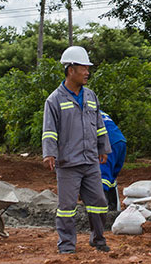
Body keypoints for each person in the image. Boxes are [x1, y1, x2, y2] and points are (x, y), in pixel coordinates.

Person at [42, 46, 112, 253]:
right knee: (66, 208)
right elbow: (49, 130)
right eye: (84, 67)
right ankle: (67, 246)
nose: (87, 72)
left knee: (99, 202)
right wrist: (49, 153)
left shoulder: (91, 96)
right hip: (68, 163)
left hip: (90, 160)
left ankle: (98, 240)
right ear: (71, 69)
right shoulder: (54, 100)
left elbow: (99, 124)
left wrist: (103, 148)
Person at [99, 110, 126, 211]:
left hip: (108, 144)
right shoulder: (99, 111)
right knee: (110, 178)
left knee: (101, 178)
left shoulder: (83, 113)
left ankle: (102, 211)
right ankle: (113, 209)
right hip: (120, 142)